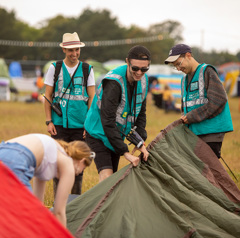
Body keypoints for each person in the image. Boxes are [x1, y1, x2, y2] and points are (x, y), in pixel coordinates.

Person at [84, 45, 150, 182]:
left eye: (144, 69)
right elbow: (107, 121)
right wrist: (125, 152)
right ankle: (101, 203)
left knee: (113, 178)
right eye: (135, 68)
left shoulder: (143, 80)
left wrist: (140, 142)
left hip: (115, 133)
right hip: (98, 132)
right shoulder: (114, 83)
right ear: (127, 62)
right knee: (107, 178)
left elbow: (140, 114)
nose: (139, 72)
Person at [0, 133, 94, 227]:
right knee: (23, 220)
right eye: (83, 168)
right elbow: (59, 212)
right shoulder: (67, 163)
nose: (79, 173)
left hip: (3, 150)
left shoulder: (50, 152)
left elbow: (37, 204)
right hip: (16, 160)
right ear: (82, 161)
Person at [44, 32, 95, 195]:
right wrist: (48, 121)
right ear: (64, 51)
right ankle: (59, 199)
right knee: (58, 162)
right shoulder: (55, 68)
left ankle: (75, 199)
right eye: (71, 50)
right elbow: (48, 96)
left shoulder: (87, 69)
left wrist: (89, 124)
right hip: (58, 124)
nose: (74, 53)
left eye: (77, 50)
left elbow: (92, 100)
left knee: (79, 163)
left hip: (81, 125)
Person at [164, 44, 233, 158]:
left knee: (207, 172)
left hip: (210, 132)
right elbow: (186, 107)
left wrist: (192, 116)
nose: (178, 68)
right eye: (174, 66)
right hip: (195, 132)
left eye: (178, 63)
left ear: (188, 55)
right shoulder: (184, 80)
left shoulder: (207, 71)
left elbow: (219, 99)